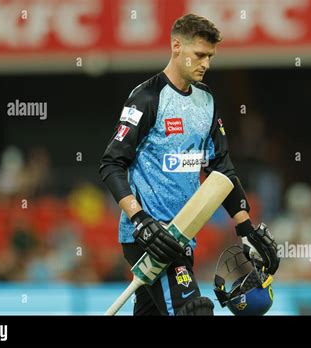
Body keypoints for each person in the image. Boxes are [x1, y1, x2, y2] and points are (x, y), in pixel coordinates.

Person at [99, 13, 279, 316]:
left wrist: (245, 226)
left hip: (184, 236)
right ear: (176, 47)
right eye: (199, 55)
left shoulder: (206, 100)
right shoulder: (146, 98)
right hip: (151, 239)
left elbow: (221, 168)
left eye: (210, 56)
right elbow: (111, 163)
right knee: (194, 311)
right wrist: (139, 219)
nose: (205, 64)